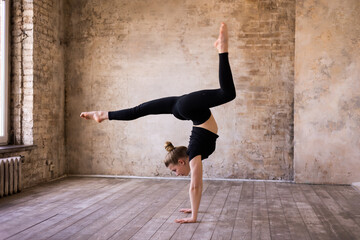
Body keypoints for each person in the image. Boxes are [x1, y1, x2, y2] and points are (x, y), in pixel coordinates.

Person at [80, 22, 235, 223]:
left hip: (187, 107)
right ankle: (102, 114)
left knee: (227, 94)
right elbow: (195, 186)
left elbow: (195, 186)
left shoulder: (194, 153)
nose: (177, 174)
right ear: (182, 160)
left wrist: (194, 216)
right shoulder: (194, 155)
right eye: (175, 172)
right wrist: (193, 211)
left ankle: (222, 48)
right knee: (140, 111)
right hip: (182, 107)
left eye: (174, 171)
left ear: (181, 161)